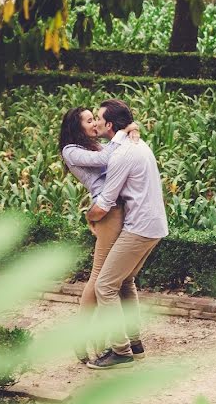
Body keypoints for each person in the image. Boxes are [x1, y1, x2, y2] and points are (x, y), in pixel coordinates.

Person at [84, 99, 169, 370]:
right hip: (154, 225)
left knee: (104, 286)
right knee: (125, 282)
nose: (95, 122)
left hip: (139, 227)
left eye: (98, 118)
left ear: (109, 125)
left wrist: (89, 217)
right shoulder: (133, 143)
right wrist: (133, 127)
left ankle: (121, 352)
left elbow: (106, 201)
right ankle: (134, 343)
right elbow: (118, 141)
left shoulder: (123, 154)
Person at [58, 106, 139, 364]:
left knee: (118, 278)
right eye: (89, 120)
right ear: (76, 126)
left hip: (115, 210)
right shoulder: (71, 151)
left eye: (96, 119)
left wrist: (130, 133)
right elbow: (109, 161)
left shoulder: (95, 146)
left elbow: (122, 156)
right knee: (99, 276)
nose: (95, 124)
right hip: (108, 212)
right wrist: (123, 132)